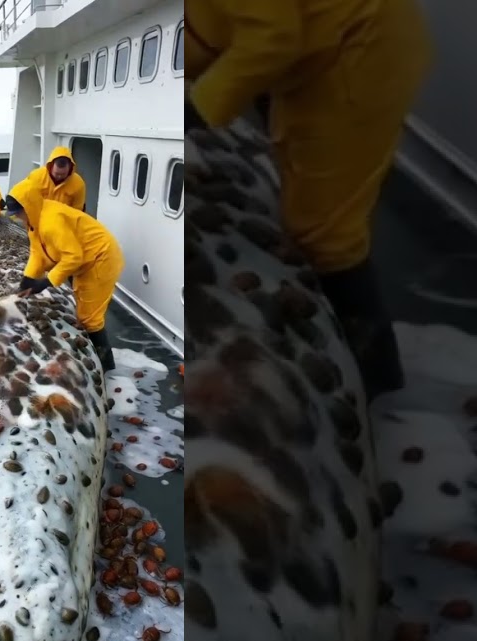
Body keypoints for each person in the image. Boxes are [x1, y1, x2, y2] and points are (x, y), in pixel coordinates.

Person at [184, 0, 431, 400]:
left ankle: (374, 384)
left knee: (326, 232)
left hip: (358, 53)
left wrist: (197, 109)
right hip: (315, 58)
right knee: (306, 198)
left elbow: (273, 37)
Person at [4, 180, 123, 371]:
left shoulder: (51, 222)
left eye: (18, 212)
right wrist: (28, 277)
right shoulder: (35, 219)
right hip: (87, 259)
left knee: (91, 318)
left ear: (27, 206)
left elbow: (73, 257)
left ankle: (107, 366)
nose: (17, 217)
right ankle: (92, 344)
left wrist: (46, 282)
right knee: (83, 305)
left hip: (101, 257)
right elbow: (37, 252)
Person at [23, 146, 87, 212]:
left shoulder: (78, 184)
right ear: (51, 166)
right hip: (37, 218)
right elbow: (25, 199)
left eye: (63, 174)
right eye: (56, 174)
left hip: (62, 220)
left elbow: (78, 211)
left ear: (70, 168)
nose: (59, 176)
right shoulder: (36, 176)